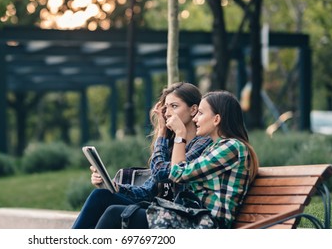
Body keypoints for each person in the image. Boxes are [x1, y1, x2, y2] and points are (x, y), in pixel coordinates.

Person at [95, 90, 260, 229]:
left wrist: (180, 135)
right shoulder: (215, 147)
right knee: (113, 208)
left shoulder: (232, 147)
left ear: (216, 119)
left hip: (207, 224)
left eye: (201, 114)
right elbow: (175, 173)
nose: (196, 119)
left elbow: (177, 173)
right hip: (192, 218)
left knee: (115, 214)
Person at [72, 82, 212, 229]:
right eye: (166, 108)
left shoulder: (202, 143)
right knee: (100, 195)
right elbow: (147, 192)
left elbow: (161, 173)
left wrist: (162, 133)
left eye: (174, 106)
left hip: (181, 216)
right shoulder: (170, 145)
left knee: (114, 212)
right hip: (158, 210)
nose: (168, 113)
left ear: (193, 110)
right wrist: (114, 186)